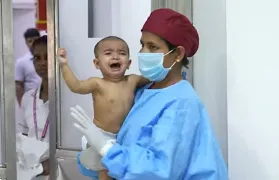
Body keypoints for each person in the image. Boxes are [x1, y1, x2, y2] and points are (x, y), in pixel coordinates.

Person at [72, 8, 228, 180]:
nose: (143, 52)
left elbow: (158, 171)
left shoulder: (182, 103)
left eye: (152, 47)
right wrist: (94, 149)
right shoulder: (144, 92)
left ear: (178, 53)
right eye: (142, 44)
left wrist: (106, 148)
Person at [57, 36, 149, 180]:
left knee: (122, 169)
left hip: (124, 136)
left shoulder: (133, 80)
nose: (115, 56)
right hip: (100, 136)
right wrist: (64, 65)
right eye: (108, 53)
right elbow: (76, 86)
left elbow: (154, 80)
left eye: (122, 53)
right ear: (97, 63)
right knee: (105, 170)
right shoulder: (97, 83)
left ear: (129, 63)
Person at [17, 35, 50, 180]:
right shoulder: (28, 98)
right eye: (37, 58)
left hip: (60, 170)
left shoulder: (68, 99)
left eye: (47, 57)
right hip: (33, 173)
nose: (42, 63)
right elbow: (23, 136)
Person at [15, 28, 42, 105]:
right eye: (30, 41)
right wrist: (22, 105)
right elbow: (18, 85)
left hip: (49, 101)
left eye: (35, 40)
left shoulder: (49, 59)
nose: (33, 43)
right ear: (26, 43)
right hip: (31, 103)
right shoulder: (21, 62)